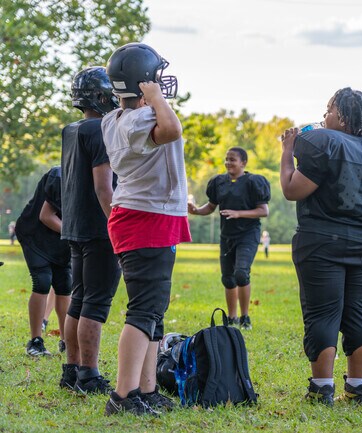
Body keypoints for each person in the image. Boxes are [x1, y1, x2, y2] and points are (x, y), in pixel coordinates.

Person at [280, 87, 362, 405]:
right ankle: (357, 388)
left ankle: (321, 387)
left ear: (341, 116)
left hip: (321, 241)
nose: (324, 116)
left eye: (328, 110)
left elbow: (292, 190)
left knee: (323, 314)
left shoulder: (325, 144)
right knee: (358, 313)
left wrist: (286, 151)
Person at [102, 42, 191, 416]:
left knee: (154, 310)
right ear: (142, 84)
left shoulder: (115, 118)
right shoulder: (140, 119)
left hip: (151, 216)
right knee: (143, 310)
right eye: (154, 79)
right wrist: (155, 98)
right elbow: (170, 129)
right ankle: (123, 397)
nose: (160, 84)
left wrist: (150, 97)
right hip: (145, 219)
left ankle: (146, 389)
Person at [59, 66, 122, 395]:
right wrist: (117, 226)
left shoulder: (72, 130)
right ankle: (89, 373)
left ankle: (71, 369)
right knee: (95, 302)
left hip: (74, 225)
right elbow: (103, 187)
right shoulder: (101, 129)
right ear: (101, 96)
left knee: (78, 299)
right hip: (98, 227)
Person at [188, 147, 270, 330]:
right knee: (227, 278)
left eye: (232, 159)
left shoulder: (253, 182)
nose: (228, 163)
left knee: (241, 273)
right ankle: (232, 318)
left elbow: (263, 211)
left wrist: (238, 213)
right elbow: (210, 206)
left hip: (248, 234)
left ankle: (245, 317)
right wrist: (196, 211)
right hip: (227, 235)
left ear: (243, 162)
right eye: (226, 159)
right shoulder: (219, 182)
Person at [15, 167, 71, 356]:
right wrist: (73, 234)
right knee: (43, 280)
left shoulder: (93, 179)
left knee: (64, 284)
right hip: (35, 235)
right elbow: (46, 216)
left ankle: (66, 340)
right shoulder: (60, 176)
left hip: (60, 239)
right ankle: (36, 341)